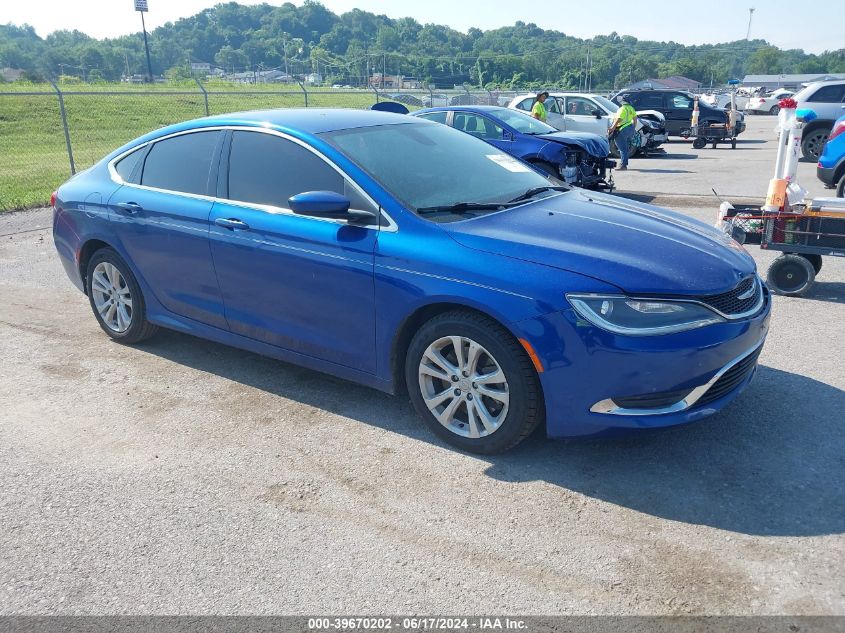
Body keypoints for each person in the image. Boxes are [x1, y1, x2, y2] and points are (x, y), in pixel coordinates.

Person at [610, 96, 637, 171]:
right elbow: (635, 119)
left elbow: (619, 119)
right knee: (626, 148)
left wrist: (612, 128)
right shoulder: (631, 108)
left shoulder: (622, 109)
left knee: (622, 148)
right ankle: (624, 163)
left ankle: (623, 165)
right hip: (629, 128)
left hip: (622, 129)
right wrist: (633, 128)